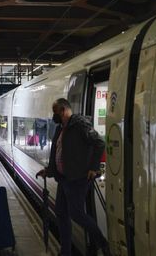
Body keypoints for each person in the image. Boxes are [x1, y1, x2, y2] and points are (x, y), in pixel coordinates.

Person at [35, 98, 110, 256]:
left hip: (78, 178)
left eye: (55, 111)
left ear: (63, 110)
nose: (53, 115)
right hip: (63, 178)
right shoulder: (61, 128)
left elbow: (99, 143)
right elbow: (59, 153)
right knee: (61, 213)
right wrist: (49, 171)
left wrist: (94, 168)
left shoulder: (80, 125)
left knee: (76, 213)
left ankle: (102, 242)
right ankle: (65, 252)